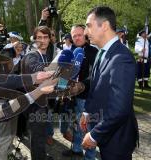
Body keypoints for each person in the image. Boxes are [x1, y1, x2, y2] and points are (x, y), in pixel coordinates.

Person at [80, 6, 138, 160]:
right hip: (107, 133)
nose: (86, 32)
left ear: (104, 25)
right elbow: (96, 85)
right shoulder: (102, 51)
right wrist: (86, 111)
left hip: (117, 139)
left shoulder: (121, 58)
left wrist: (94, 135)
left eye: (89, 26)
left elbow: (120, 109)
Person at [62, 24, 98, 160]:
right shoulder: (70, 52)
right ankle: (77, 149)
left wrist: (81, 85)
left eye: (79, 35)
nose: (76, 38)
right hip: (72, 96)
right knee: (76, 125)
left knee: (87, 128)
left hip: (86, 97)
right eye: (74, 35)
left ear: (86, 34)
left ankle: (90, 156)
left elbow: (94, 76)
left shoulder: (93, 52)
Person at [21, 26, 54, 160]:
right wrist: (59, 67)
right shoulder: (32, 56)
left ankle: (41, 155)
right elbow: (38, 69)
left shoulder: (46, 55)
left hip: (42, 102)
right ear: (34, 40)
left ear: (50, 39)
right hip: (34, 105)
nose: (42, 40)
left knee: (40, 135)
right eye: (39, 37)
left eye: (45, 37)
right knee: (38, 137)